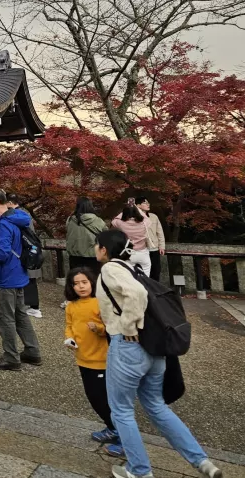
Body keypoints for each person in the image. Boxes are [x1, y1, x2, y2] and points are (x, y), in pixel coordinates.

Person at [95, 230, 224, 478]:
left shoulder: (111, 269)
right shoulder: (133, 268)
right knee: (156, 405)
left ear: (104, 249)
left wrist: (130, 325)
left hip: (128, 346)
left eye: (96, 245)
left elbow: (137, 294)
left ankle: (139, 470)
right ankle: (202, 461)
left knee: (121, 410)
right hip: (153, 348)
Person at [63, 266, 124, 458]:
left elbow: (112, 327)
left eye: (84, 282)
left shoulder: (100, 303)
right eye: (76, 284)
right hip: (83, 358)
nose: (80, 287)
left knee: (104, 400)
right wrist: (69, 338)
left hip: (102, 360)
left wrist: (98, 328)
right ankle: (111, 428)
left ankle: (123, 437)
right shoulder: (71, 306)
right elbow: (69, 326)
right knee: (93, 398)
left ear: (92, 282)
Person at [0, 188, 42, 371]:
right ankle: (32, 351)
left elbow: (2, 252)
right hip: (18, 273)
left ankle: (11, 357)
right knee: (20, 314)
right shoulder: (14, 218)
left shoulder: (3, 225)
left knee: (5, 317)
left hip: (6, 277)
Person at [6, 193, 42, 318]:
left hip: (25, 249)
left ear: (10, 202)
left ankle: (34, 306)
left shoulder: (16, 215)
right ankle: (32, 306)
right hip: (31, 247)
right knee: (30, 279)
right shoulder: (24, 213)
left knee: (29, 279)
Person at [66, 197, 108, 273]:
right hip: (92, 255)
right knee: (92, 280)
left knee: (77, 280)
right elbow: (106, 235)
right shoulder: (98, 221)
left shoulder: (70, 220)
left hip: (74, 256)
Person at [111, 202, 151, 277]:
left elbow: (114, 220)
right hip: (142, 252)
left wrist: (125, 211)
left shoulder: (121, 223)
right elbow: (145, 217)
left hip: (129, 253)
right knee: (146, 273)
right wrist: (137, 209)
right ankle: (144, 285)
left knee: (129, 276)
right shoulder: (144, 223)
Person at [136, 196, 166, 283]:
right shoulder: (134, 218)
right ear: (138, 205)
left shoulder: (153, 217)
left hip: (154, 248)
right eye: (145, 203)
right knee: (141, 271)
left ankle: (155, 291)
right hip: (141, 248)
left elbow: (159, 232)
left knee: (155, 271)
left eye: (148, 202)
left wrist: (162, 246)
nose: (148, 204)